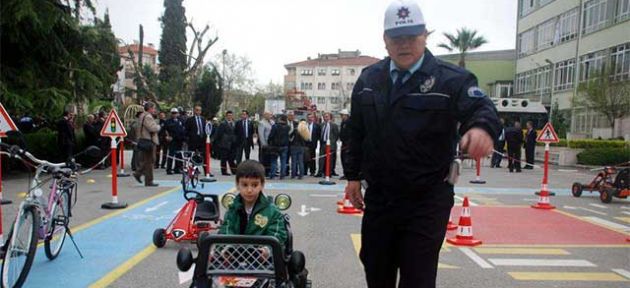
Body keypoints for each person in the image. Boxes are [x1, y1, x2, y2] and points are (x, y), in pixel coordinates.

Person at [343, 1, 500, 287]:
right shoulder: (369, 79)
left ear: (425, 35)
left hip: (426, 198)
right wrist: (352, 176)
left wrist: (480, 129)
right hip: (380, 196)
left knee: (417, 275)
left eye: (412, 37)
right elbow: (355, 131)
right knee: (376, 266)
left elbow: (481, 108)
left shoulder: (451, 79)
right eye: (396, 38)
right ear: (385, 40)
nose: (404, 45)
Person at [218, 159, 288, 245]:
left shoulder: (272, 211)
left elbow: (278, 234)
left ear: (262, 185)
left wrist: (267, 249)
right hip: (235, 254)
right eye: (244, 185)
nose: (249, 190)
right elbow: (226, 230)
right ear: (237, 184)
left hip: (263, 255)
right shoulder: (232, 209)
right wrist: (226, 248)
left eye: (254, 185)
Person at [133, 102, 160, 187]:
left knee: (147, 160)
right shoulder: (148, 117)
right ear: (150, 108)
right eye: (153, 108)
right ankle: (148, 180)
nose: (154, 110)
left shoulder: (141, 116)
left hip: (143, 140)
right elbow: (152, 128)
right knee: (150, 161)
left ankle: (139, 173)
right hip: (148, 141)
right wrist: (158, 127)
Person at [215, 111, 238, 175]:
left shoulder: (234, 123)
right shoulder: (223, 124)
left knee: (231, 158)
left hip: (232, 144)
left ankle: (234, 171)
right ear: (226, 116)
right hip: (225, 144)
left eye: (231, 115)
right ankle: (224, 171)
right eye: (228, 115)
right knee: (224, 159)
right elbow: (219, 134)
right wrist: (220, 143)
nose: (230, 117)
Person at [316, 112, 339, 177]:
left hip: (330, 145)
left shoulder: (334, 125)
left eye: (327, 116)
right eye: (324, 117)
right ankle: (320, 172)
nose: (325, 118)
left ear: (330, 117)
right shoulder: (321, 125)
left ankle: (328, 173)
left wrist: (332, 143)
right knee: (321, 159)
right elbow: (319, 134)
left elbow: (336, 135)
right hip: (323, 144)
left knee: (329, 160)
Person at [268, 114, 290, 179]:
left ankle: (272, 174)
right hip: (284, 146)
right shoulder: (287, 127)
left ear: (280, 119)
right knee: (283, 161)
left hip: (275, 146)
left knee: (274, 160)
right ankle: (282, 175)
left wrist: (269, 142)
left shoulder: (275, 126)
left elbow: (271, 136)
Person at [165, 108, 186, 175]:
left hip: (179, 140)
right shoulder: (168, 121)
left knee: (179, 155)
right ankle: (169, 169)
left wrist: (184, 139)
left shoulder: (181, 121)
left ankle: (177, 168)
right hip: (172, 140)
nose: (174, 114)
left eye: (175, 113)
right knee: (171, 155)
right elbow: (164, 130)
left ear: (178, 113)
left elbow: (184, 130)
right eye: (173, 113)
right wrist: (167, 136)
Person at [338, 109, 351, 179]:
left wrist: (348, 143)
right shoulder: (343, 123)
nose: (341, 117)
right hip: (343, 143)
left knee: (347, 160)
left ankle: (348, 174)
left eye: (342, 115)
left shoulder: (350, 123)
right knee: (343, 158)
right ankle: (345, 173)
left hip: (348, 144)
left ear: (346, 115)